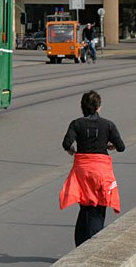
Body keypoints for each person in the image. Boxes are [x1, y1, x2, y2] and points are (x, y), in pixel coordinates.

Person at [59, 90, 126, 246]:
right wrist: (111, 146)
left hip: (82, 171)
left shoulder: (76, 123)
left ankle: (80, 243)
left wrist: (72, 150)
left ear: (82, 107)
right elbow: (121, 147)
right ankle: (92, 245)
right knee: (98, 207)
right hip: (101, 171)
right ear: (98, 107)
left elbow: (66, 143)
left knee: (85, 206)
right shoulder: (108, 125)